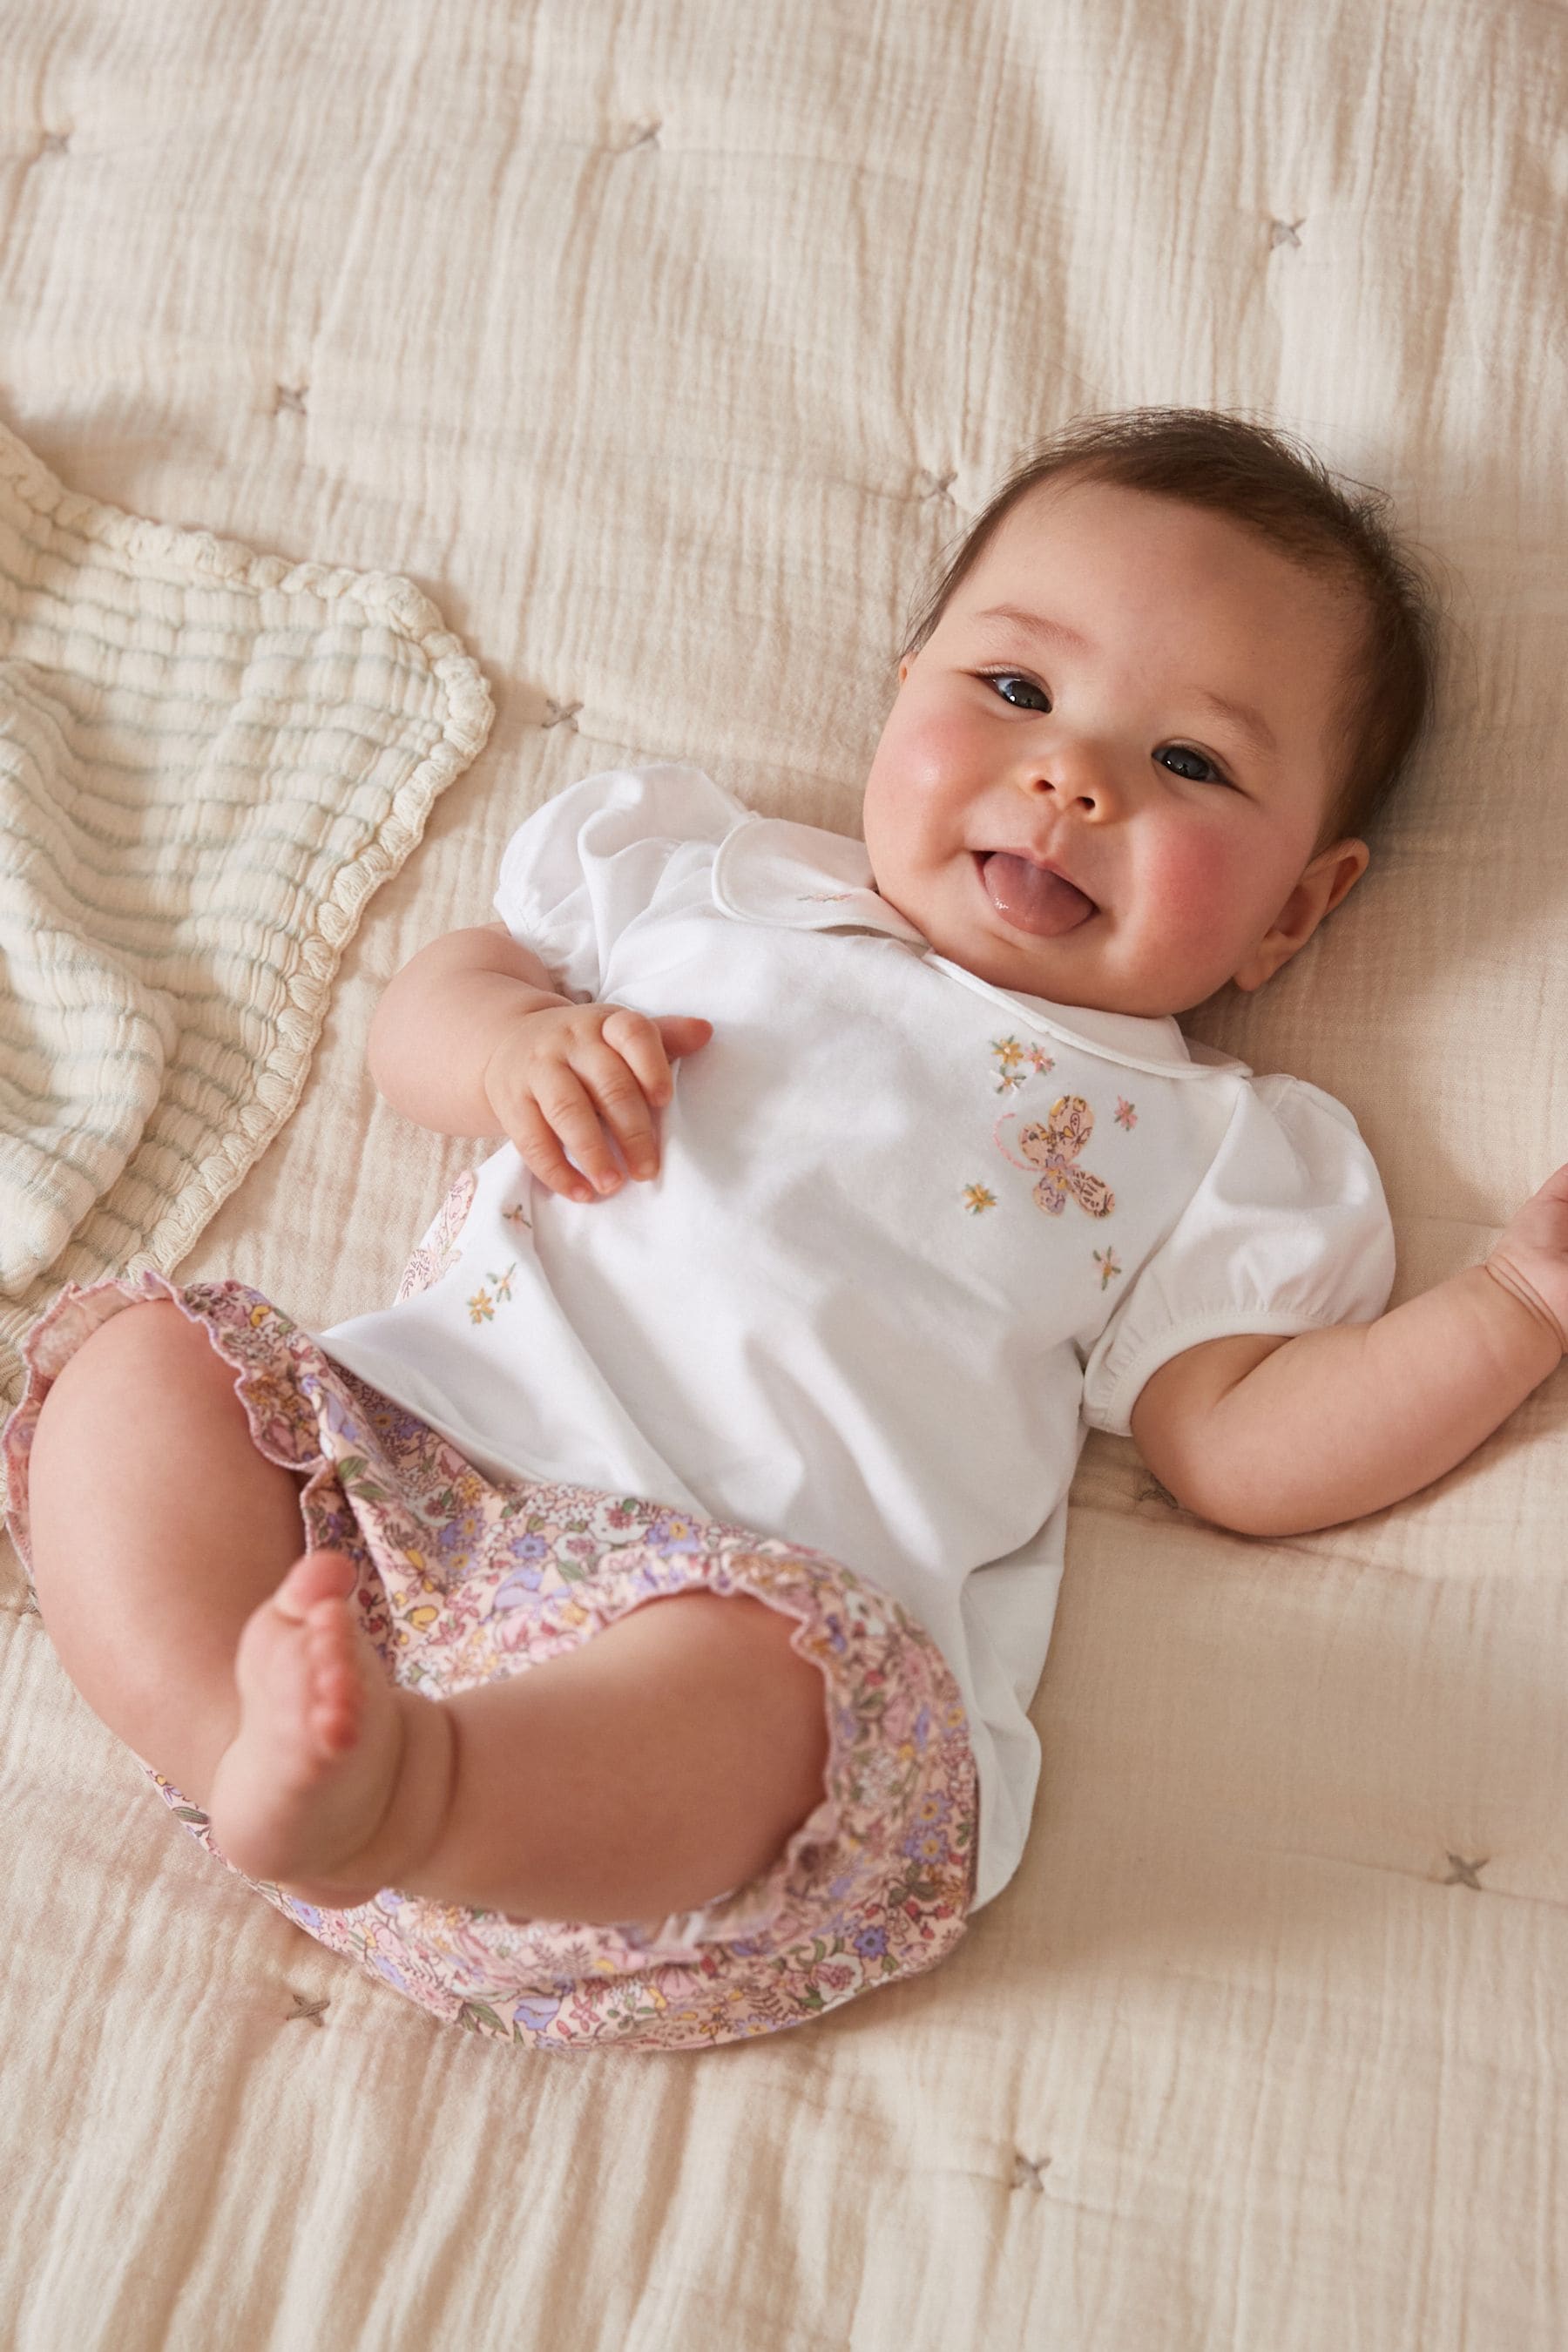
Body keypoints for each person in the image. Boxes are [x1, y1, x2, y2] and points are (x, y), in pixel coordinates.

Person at [9, 409, 1565, 2054]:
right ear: (906, 686)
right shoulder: (710, 886)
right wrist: (509, 1050)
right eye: (1016, 691)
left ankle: (422, 1802)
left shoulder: (1212, 1146)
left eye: (1190, 764)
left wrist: (1519, 1304)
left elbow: (1239, 1448)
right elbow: (433, 1008)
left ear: (1298, 909)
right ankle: (239, 1741)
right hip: (405, 1493)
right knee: (144, 1361)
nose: (1072, 777)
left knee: (771, 1691)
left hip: (729, 1640)